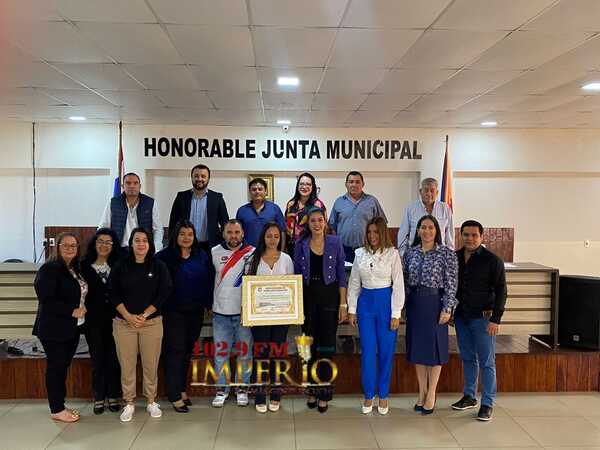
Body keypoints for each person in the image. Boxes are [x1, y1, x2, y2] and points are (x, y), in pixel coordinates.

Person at [109, 227, 172, 422]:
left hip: (151, 323)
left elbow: (164, 292)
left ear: (150, 244)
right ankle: (129, 402)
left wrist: (145, 314)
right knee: (127, 364)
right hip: (124, 323)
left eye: (145, 240)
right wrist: (128, 316)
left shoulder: (158, 266)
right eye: (137, 240)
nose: (141, 244)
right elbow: (112, 292)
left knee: (150, 365)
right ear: (131, 243)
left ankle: (151, 401)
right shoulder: (120, 266)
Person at [348, 217, 404, 415]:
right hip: (366, 305)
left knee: (386, 352)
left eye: (376, 232)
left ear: (383, 233)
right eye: (369, 232)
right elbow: (354, 282)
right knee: (368, 352)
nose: (372, 236)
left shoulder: (392, 254)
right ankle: (369, 394)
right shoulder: (359, 254)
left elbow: (398, 284)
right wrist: (351, 309)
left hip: (386, 304)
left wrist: (396, 313)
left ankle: (384, 394)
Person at [451, 220, 507, 422]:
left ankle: (487, 403)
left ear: (481, 237)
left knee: (487, 362)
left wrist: (496, 319)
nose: (470, 238)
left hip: (484, 319)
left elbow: (502, 291)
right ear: (461, 236)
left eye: (474, 235)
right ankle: (469, 396)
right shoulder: (455, 257)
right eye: (466, 234)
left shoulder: (493, 261)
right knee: (467, 358)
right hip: (462, 317)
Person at [156, 220, 213, 413]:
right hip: (173, 313)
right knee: (174, 352)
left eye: (190, 234)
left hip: (195, 312)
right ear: (175, 236)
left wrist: (208, 304)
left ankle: (181, 389)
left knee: (187, 351)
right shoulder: (163, 257)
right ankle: (173, 394)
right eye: (182, 234)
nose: (186, 237)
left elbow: (208, 281)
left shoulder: (201, 255)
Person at [403, 215, 458, 415]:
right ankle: (422, 391)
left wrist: (447, 308)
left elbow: (452, 283)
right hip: (415, 305)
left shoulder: (446, 254)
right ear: (417, 230)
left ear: (437, 231)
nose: (426, 231)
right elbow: (405, 281)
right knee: (418, 349)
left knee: (435, 351)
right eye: (423, 227)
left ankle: (432, 393)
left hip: (436, 305)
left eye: (431, 228)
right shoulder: (410, 253)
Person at [294, 207, 347, 413]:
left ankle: (324, 392)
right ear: (308, 224)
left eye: (320, 220)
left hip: (329, 297)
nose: (317, 224)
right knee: (308, 346)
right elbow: (296, 277)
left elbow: (342, 274)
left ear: (325, 222)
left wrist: (343, 304)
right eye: (313, 221)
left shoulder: (335, 242)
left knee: (326, 347)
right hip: (307, 297)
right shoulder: (300, 244)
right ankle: (310, 390)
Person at [33, 232, 87, 423]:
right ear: (58, 247)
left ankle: (60, 404)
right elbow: (46, 300)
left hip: (71, 328)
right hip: (53, 328)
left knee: (62, 367)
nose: (70, 249)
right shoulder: (50, 269)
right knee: (56, 368)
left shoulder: (73, 268)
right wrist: (71, 311)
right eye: (66, 245)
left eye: (74, 246)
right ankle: (56, 408)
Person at [245, 222, 294, 413]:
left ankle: (275, 394)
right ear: (262, 238)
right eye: (269, 236)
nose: (272, 240)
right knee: (261, 354)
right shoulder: (253, 258)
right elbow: (247, 287)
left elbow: (292, 287)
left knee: (278, 354)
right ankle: (259, 395)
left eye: (276, 236)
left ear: (280, 238)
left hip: (282, 317)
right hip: (259, 317)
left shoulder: (287, 259)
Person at [210, 219, 255, 408]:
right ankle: (222, 390)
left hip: (244, 313)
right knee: (221, 354)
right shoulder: (214, 252)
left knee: (245, 354)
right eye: (229, 232)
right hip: (220, 312)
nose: (233, 236)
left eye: (237, 232)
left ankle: (242, 389)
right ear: (223, 234)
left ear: (243, 234)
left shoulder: (252, 252)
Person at [81, 228, 122, 415]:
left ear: (113, 246)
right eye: (100, 241)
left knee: (114, 359)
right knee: (97, 358)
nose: (104, 245)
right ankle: (98, 396)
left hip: (116, 319)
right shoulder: (83, 266)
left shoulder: (119, 264)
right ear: (94, 244)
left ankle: (113, 395)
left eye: (108, 242)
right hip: (93, 321)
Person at [168, 164, 229, 251]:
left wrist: (224, 246)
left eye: (203, 176)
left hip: (210, 247)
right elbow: (173, 224)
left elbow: (225, 224)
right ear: (191, 178)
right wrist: (172, 245)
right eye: (196, 176)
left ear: (208, 179)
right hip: (185, 246)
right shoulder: (181, 197)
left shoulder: (217, 198)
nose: (199, 179)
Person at [328, 171, 387, 263]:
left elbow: (381, 225)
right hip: (344, 250)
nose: (354, 184)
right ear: (346, 184)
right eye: (351, 182)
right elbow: (332, 228)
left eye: (357, 182)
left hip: (367, 249)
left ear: (363, 184)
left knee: (366, 276)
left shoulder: (372, 201)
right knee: (345, 276)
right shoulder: (339, 202)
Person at [99, 172, 164, 251]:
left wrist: (155, 249)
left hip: (143, 250)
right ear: (123, 186)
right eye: (128, 183)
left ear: (139, 186)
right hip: (119, 250)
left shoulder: (150, 203)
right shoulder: (113, 203)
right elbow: (103, 227)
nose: (132, 186)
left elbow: (158, 229)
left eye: (135, 183)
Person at [397, 178, 454, 256]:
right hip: (415, 254)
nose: (429, 193)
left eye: (432, 190)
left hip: (440, 254)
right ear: (420, 192)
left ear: (437, 192)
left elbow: (449, 235)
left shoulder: (445, 208)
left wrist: (450, 254)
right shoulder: (411, 208)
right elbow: (403, 234)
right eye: (426, 190)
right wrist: (402, 255)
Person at [236, 177, 286, 248]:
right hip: (247, 253)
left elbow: (282, 232)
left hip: (270, 251)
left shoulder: (275, 209)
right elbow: (237, 233)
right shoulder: (242, 211)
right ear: (249, 192)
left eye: (260, 189)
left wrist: (281, 252)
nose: (257, 191)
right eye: (254, 189)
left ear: (265, 191)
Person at [284, 172, 326, 256]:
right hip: (291, 248)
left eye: (308, 184)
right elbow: (286, 227)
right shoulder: (291, 204)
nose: (304, 187)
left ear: (312, 187)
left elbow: (323, 228)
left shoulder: (318, 205)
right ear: (297, 186)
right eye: (301, 184)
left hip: (311, 247)